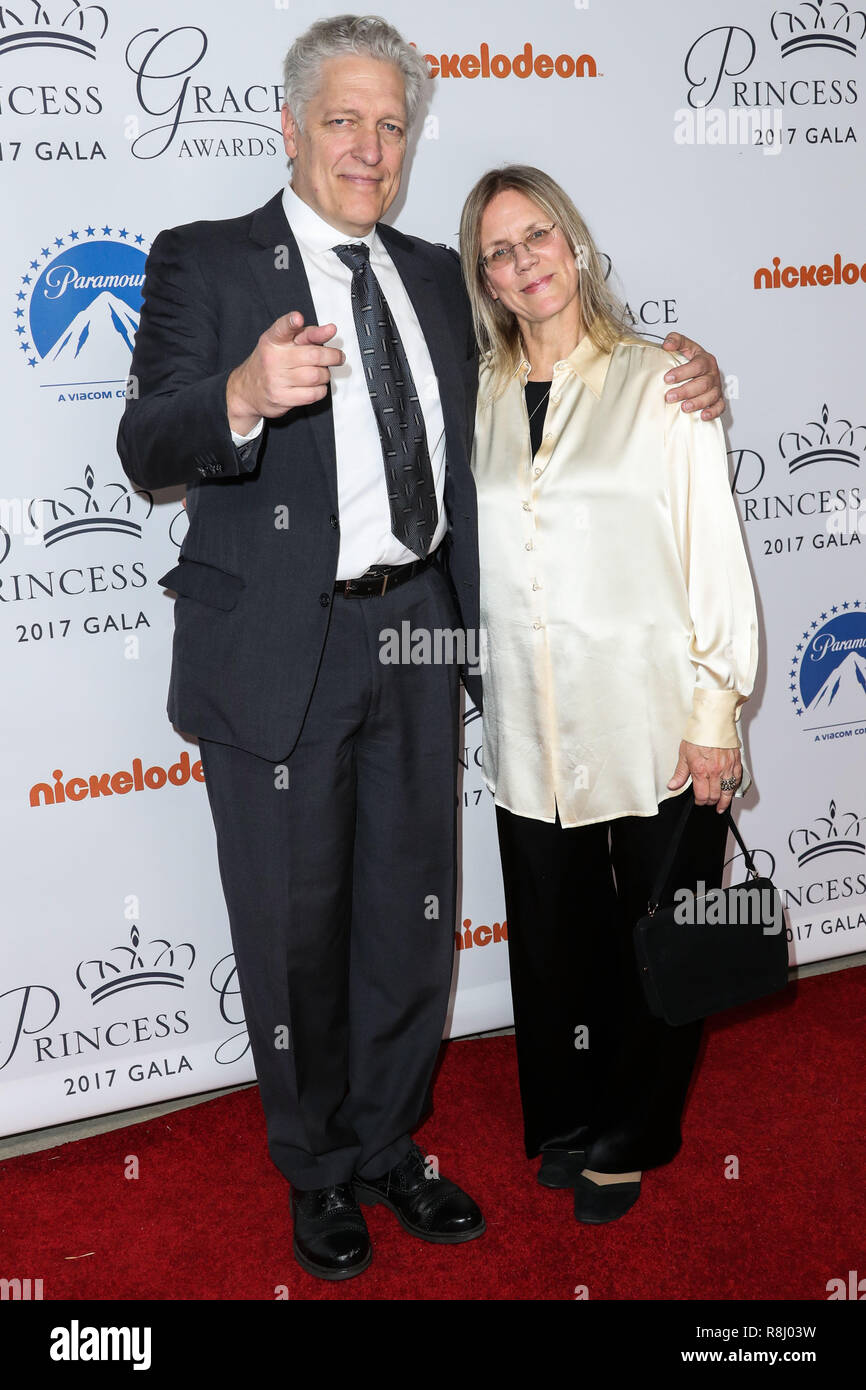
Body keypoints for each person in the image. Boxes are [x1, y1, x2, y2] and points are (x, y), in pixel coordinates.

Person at [117, 15, 725, 1281]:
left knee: (408, 915)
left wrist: (687, 372)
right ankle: (317, 1168)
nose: (368, 144)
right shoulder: (204, 259)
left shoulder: (441, 280)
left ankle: (392, 1144)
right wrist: (237, 393)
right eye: (342, 118)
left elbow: (552, 389)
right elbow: (147, 444)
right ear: (289, 126)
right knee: (293, 930)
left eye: (390, 124)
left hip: (419, 632)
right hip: (276, 650)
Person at [459, 165, 759, 1224]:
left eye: (536, 235)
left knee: (660, 932)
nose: (522, 261)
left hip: (653, 717)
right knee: (553, 937)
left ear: (573, 245)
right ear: (484, 278)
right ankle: (568, 1115)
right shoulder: (481, 395)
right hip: (532, 724)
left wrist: (715, 709)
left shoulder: (660, 378)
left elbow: (708, 547)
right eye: (498, 250)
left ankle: (631, 1135)